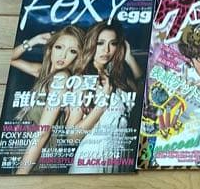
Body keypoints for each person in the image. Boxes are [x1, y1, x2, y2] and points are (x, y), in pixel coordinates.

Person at [11, 24, 87, 174]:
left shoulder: (61, 78)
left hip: (39, 160)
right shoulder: (43, 72)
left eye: (72, 51)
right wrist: (33, 41)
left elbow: (43, 132)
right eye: (59, 47)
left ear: (78, 56)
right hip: (28, 153)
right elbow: (9, 58)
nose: (63, 56)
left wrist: (21, 173)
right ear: (50, 48)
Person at [67, 22, 141, 174]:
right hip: (92, 161)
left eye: (112, 43)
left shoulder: (119, 78)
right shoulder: (82, 80)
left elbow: (145, 93)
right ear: (91, 44)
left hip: (121, 159)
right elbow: (72, 137)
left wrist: (129, 57)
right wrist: (103, 102)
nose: (106, 50)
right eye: (100, 43)